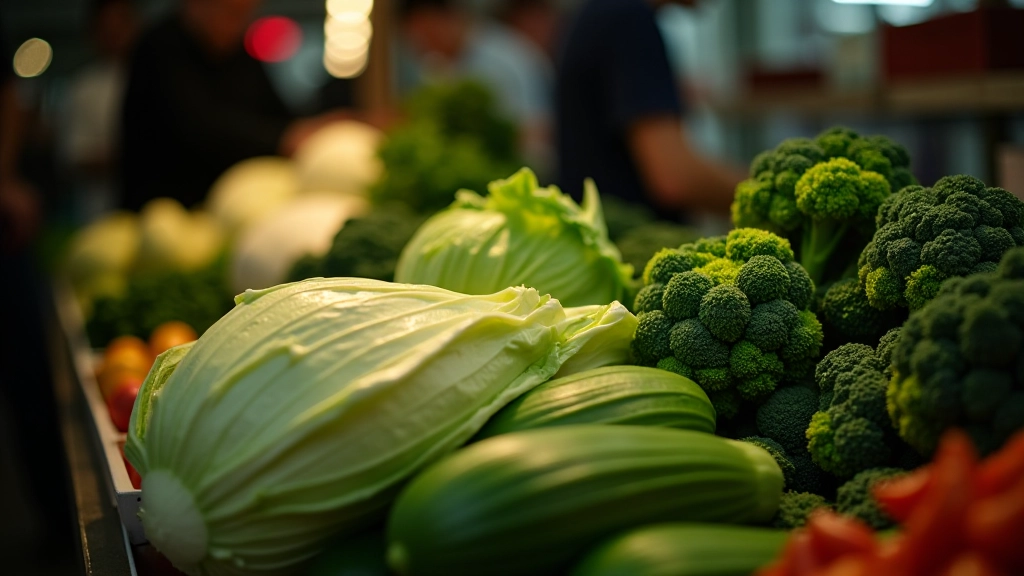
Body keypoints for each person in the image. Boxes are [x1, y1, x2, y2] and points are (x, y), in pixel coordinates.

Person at [119, 0, 339, 210]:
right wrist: (282, 138)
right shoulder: (159, 47)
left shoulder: (240, 51)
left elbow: (277, 113)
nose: (241, 23)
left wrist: (315, 128)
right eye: (232, 13)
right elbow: (198, 126)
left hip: (225, 208)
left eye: (247, 13)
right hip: (161, 209)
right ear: (195, 5)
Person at [555, 0, 739, 219]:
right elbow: (674, 178)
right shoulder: (628, 18)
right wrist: (767, 191)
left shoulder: (606, 13)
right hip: (631, 238)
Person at [398, 0, 553, 173]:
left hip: (522, 172)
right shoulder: (439, 66)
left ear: (449, 19)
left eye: (427, 35)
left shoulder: (504, 59)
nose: (422, 46)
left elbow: (536, 131)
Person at [64, 0, 140, 221]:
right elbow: (74, 157)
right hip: (100, 212)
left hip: (150, 209)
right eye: (108, 28)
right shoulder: (83, 88)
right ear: (94, 33)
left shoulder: (156, 77)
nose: (116, 34)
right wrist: (132, 155)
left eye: (122, 25)